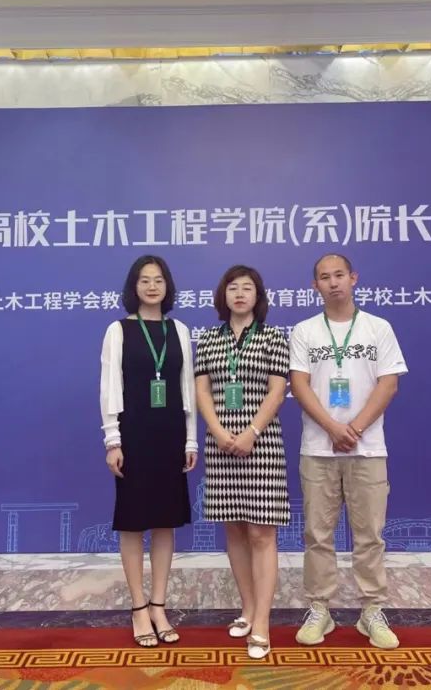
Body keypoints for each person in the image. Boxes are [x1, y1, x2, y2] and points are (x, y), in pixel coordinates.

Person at [288, 253, 407, 649]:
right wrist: (332, 428)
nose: (333, 282)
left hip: (367, 448)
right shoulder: (304, 331)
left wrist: (353, 429)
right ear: (315, 286)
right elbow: (299, 385)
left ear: (353, 278)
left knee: (369, 534)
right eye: (324, 277)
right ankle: (319, 608)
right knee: (317, 534)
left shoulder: (378, 327)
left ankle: (371, 609)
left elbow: (388, 384)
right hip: (318, 449)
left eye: (339, 275)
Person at [99, 255, 198, 648]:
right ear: (134, 287)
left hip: (170, 434)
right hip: (134, 435)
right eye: (145, 280)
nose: (152, 286)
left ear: (167, 285)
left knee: (165, 522)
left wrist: (190, 439)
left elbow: (188, 389)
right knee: (133, 522)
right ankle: (138, 608)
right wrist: (113, 439)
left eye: (158, 280)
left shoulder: (179, 330)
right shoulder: (118, 330)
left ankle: (159, 605)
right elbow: (110, 387)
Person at [195, 264, 291, 660]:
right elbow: (202, 391)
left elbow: (277, 390)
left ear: (258, 296)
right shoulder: (207, 339)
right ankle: (248, 610)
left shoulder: (272, 337)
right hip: (220, 445)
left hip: (261, 444)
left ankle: (263, 623)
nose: (239, 294)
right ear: (223, 295)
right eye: (232, 287)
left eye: (247, 288)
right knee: (234, 530)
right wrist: (218, 431)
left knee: (261, 534)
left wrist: (251, 431)